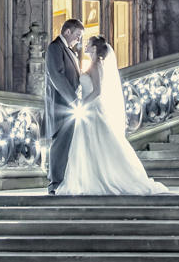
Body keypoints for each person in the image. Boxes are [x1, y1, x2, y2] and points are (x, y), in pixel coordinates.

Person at [57, 35, 168, 196]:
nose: (85, 46)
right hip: (90, 109)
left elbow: (98, 91)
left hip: (92, 109)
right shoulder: (93, 64)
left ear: (94, 48)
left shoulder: (96, 66)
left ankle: (102, 178)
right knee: (90, 145)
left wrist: (82, 104)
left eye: (88, 44)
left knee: (97, 143)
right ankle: (89, 178)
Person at [44, 18, 84, 194]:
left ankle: (65, 182)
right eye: (77, 35)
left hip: (69, 105)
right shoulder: (55, 48)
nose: (79, 40)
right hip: (61, 105)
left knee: (68, 144)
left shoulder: (70, 51)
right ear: (67, 32)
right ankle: (55, 184)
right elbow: (57, 76)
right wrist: (74, 100)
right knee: (60, 144)